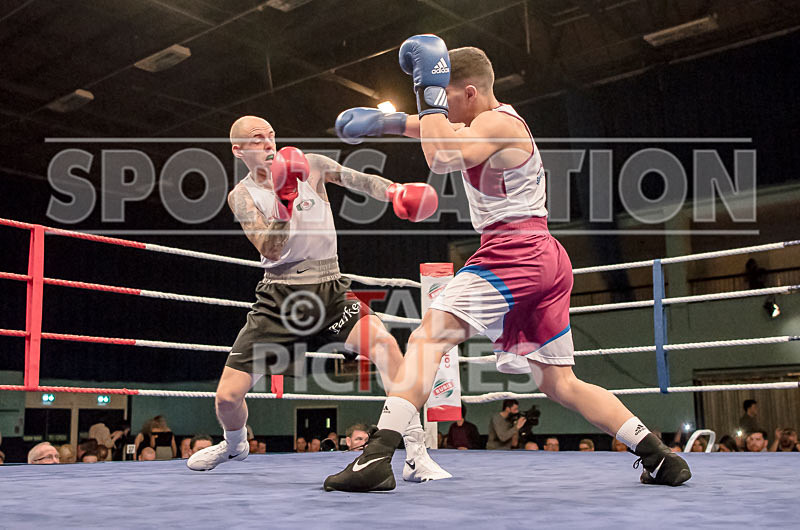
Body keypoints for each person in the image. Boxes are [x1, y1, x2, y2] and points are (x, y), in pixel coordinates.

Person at [325, 35, 691, 492]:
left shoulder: (497, 123)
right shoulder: (491, 124)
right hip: (543, 255)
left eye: (449, 97)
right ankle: (659, 456)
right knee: (560, 383)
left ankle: (375, 458)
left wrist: (430, 94)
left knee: (427, 335)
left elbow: (441, 156)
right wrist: (390, 122)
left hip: (513, 250)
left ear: (470, 92)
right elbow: (439, 133)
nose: (445, 110)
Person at [187, 115, 448, 483]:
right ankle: (234, 444)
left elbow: (356, 179)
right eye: (257, 138)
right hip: (279, 300)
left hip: (330, 289)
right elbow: (271, 248)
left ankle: (415, 452)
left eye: (271, 135)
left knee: (386, 346)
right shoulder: (242, 196)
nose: (267, 143)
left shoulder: (311, 165)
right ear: (238, 149)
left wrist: (394, 192)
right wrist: (284, 202)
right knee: (227, 399)